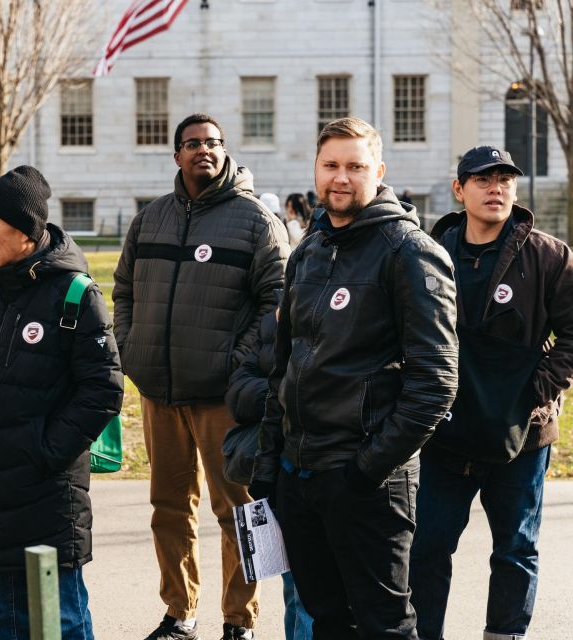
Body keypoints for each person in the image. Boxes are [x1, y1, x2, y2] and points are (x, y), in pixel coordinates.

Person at [251, 117, 459, 639]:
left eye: (355, 166)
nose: (341, 178)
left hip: (368, 484)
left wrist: (365, 470)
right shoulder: (309, 250)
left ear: (379, 172)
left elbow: (436, 383)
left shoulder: (409, 252)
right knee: (326, 620)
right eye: (331, 166)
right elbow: (285, 364)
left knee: (385, 626)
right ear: (315, 171)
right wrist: (270, 462)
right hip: (300, 476)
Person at [113, 113, 288, 640]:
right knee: (167, 509)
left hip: (222, 398)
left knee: (238, 510)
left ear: (225, 150)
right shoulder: (151, 219)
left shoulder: (256, 221)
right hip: (160, 394)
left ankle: (241, 619)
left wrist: (237, 364)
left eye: (213, 142)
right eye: (193, 144)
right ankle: (179, 612)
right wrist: (131, 348)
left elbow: (279, 302)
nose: (204, 151)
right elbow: (123, 290)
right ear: (177, 155)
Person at [0, 165, 123, 639]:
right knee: (1, 616)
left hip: (45, 494)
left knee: (58, 621)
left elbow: (104, 390)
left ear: (25, 231)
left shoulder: (75, 296)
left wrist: (44, 451)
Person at [409, 146, 573, 640]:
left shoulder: (549, 255)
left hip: (520, 435)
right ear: (460, 190)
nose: (496, 187)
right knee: (429, 548)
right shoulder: (428, 255)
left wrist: (534, 390)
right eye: (483, 178)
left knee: (515, 550)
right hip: (444, 433)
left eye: (505, 178)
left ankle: (504, 634)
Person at [225, 307, 312, 640]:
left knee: (311, 591)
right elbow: (237, 395)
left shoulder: (336, 319)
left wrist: (283, 394)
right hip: (274, 471)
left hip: (320, 468)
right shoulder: (271, 323)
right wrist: (283, 396)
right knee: (293, 586)